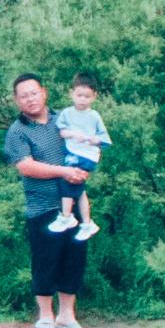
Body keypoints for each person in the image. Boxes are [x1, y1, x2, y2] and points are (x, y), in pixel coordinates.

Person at [4, 75, 89, 328]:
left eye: (34, 93)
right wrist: (63, 171)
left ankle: (67, 317)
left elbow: (83, 143)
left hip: (73, 202)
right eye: (24, 95)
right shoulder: (17, 131)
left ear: (44, 92)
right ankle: (45, 315)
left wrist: (82, 167)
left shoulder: (64, 119)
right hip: (42, 207)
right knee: (45, 261)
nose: (30, 99)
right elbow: (25, 166)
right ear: (17, 100)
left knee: (73, 259)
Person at [50, 79, 109, 246]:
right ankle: (87, 223)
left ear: (94, 97)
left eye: (87, 96)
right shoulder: (67, 113)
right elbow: (61, 132)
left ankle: (67, 217)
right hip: (72, 152)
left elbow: (104, 139)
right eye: (79, 95)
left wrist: (93, 139)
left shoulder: (94, 116)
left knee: (68, 180)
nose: (82, 99)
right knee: (80, 190)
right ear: (72, 94)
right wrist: (72, 134)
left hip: (86, 155)